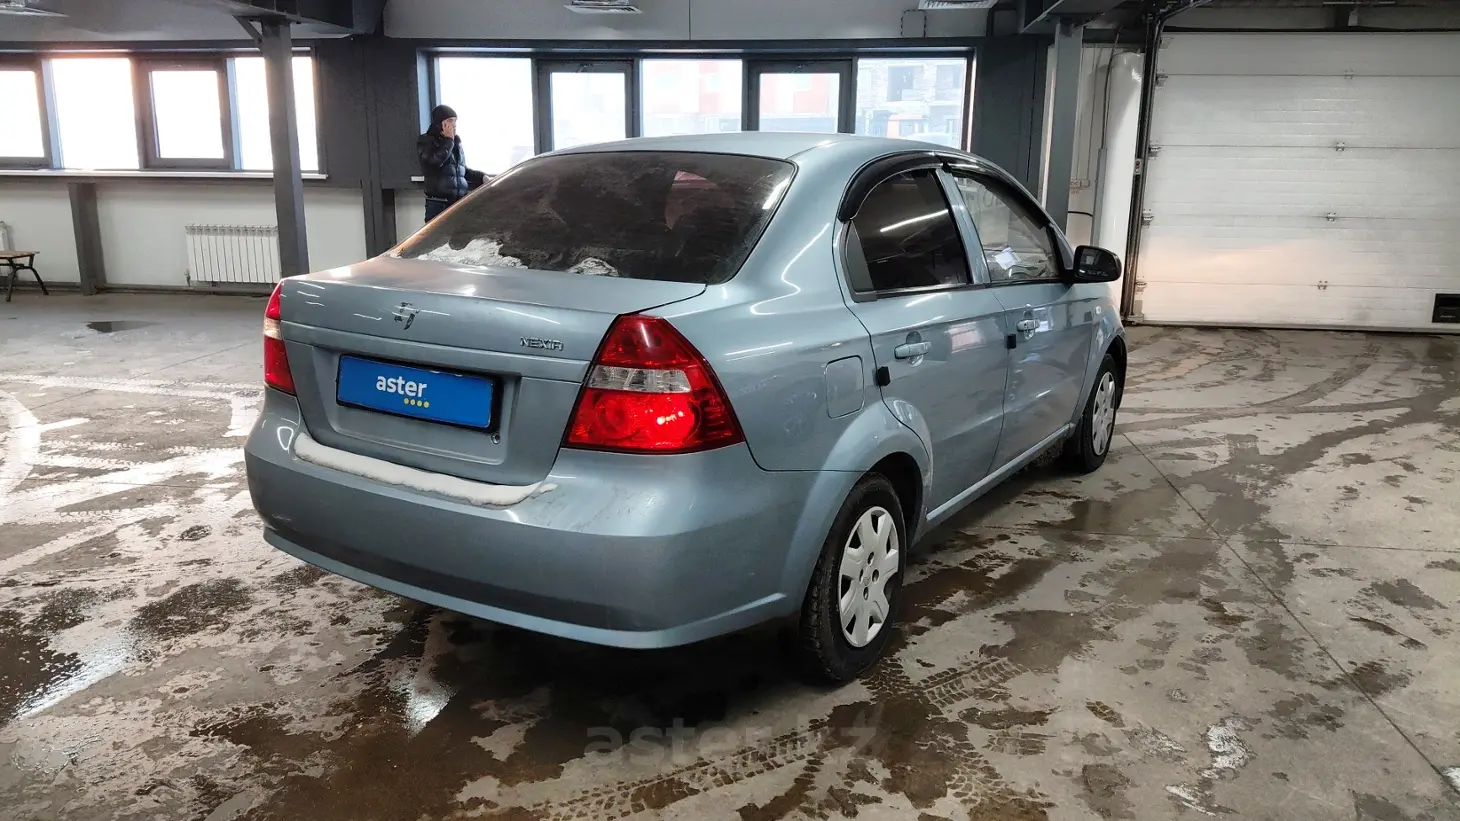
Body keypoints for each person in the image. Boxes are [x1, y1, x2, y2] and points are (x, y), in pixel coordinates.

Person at [418, 104, 485, 222]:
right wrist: (449, 141)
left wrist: (482, 177)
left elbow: (460, 171)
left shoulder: (455, 143)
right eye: (450, 120)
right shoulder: (426, 140)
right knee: (438, 234)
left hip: (458, 204)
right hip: (439, 205)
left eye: (455, 120)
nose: (454, 124)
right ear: (440, 123)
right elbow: (434, 162)